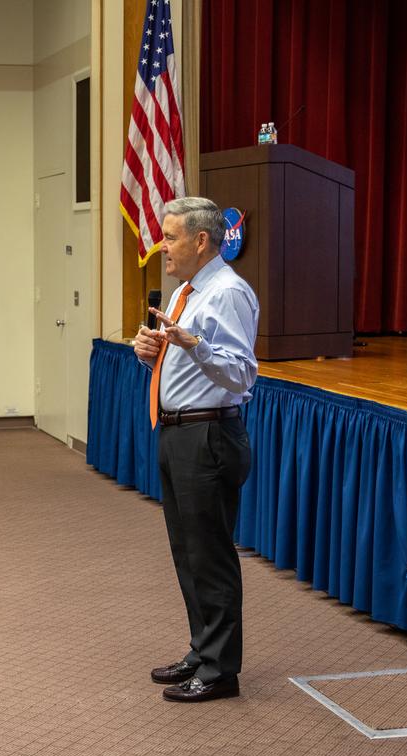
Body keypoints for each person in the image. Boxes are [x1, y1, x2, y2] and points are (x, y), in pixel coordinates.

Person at [132, 196, 259, 703]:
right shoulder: (186, 290)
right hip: (177, 431)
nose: (162, 247)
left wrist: (195, 346)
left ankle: (221, 670)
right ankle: (202, 649)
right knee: (187, 552)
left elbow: (242, 373)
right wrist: (151, 354)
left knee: (211, 555)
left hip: (209, 436)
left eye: (170, 237)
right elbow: (182, 366)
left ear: (201, 240)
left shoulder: (228, 293)